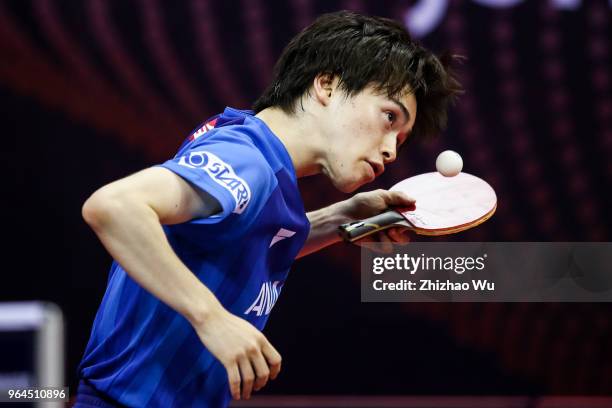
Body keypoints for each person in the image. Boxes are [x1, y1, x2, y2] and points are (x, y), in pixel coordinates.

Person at [75, 10, 461, 408]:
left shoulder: (258, 154)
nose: (391, 150)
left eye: (401, 138)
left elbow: (239, 233)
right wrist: (212, 318)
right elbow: (115, 206)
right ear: (327, 85)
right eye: (389, 117)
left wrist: (340, 218)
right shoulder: (249, 161)